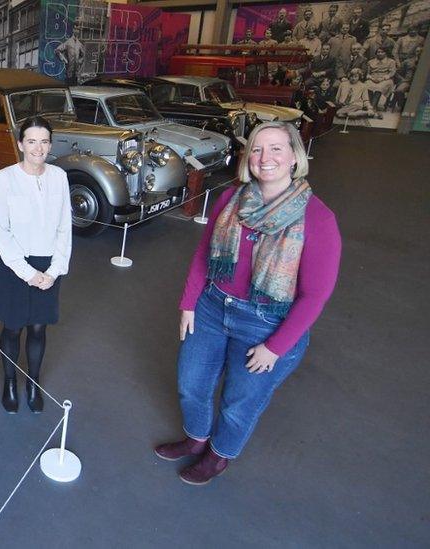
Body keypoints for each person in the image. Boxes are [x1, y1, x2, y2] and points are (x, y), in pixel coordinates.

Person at [154, 121, 341, 485]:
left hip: (267, 324)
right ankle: (196, 438)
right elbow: (202, 255)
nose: (264, 157)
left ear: (293, 157)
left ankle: (219, 456)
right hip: (212, 308)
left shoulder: (317, 218)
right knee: (191, 382)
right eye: (256, 148)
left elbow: (315, 295)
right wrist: (189, 302)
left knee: (240, 404)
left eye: (275, 149)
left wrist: (276, 347)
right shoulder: (231, 198)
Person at [0, 116, 72, 414]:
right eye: (32, 141)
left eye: (44, 141)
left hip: (48, 266)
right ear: (21, 144)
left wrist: (53, 271)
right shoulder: (4, 178)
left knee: (38, 328)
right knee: (13, 328)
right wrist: (29, 273)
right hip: (16, 266)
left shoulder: (59, 177)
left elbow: (65, 227)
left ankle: (33, 382)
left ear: (50, 144)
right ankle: (10, 382)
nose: (39, 147)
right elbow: (2, 233)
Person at [366, 47, 398, 111]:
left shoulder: (391, 62)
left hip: (386, 79)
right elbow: (367, 73)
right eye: (378, 52)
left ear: (385, 53)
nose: (380, 53)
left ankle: (373, 106)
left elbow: (392, 73)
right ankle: (370, 104)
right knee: (367, 85)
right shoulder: (371, 62)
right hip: (373, 78)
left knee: (379, 87)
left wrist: (382, 78)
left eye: (382, 52)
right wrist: (372, 78)